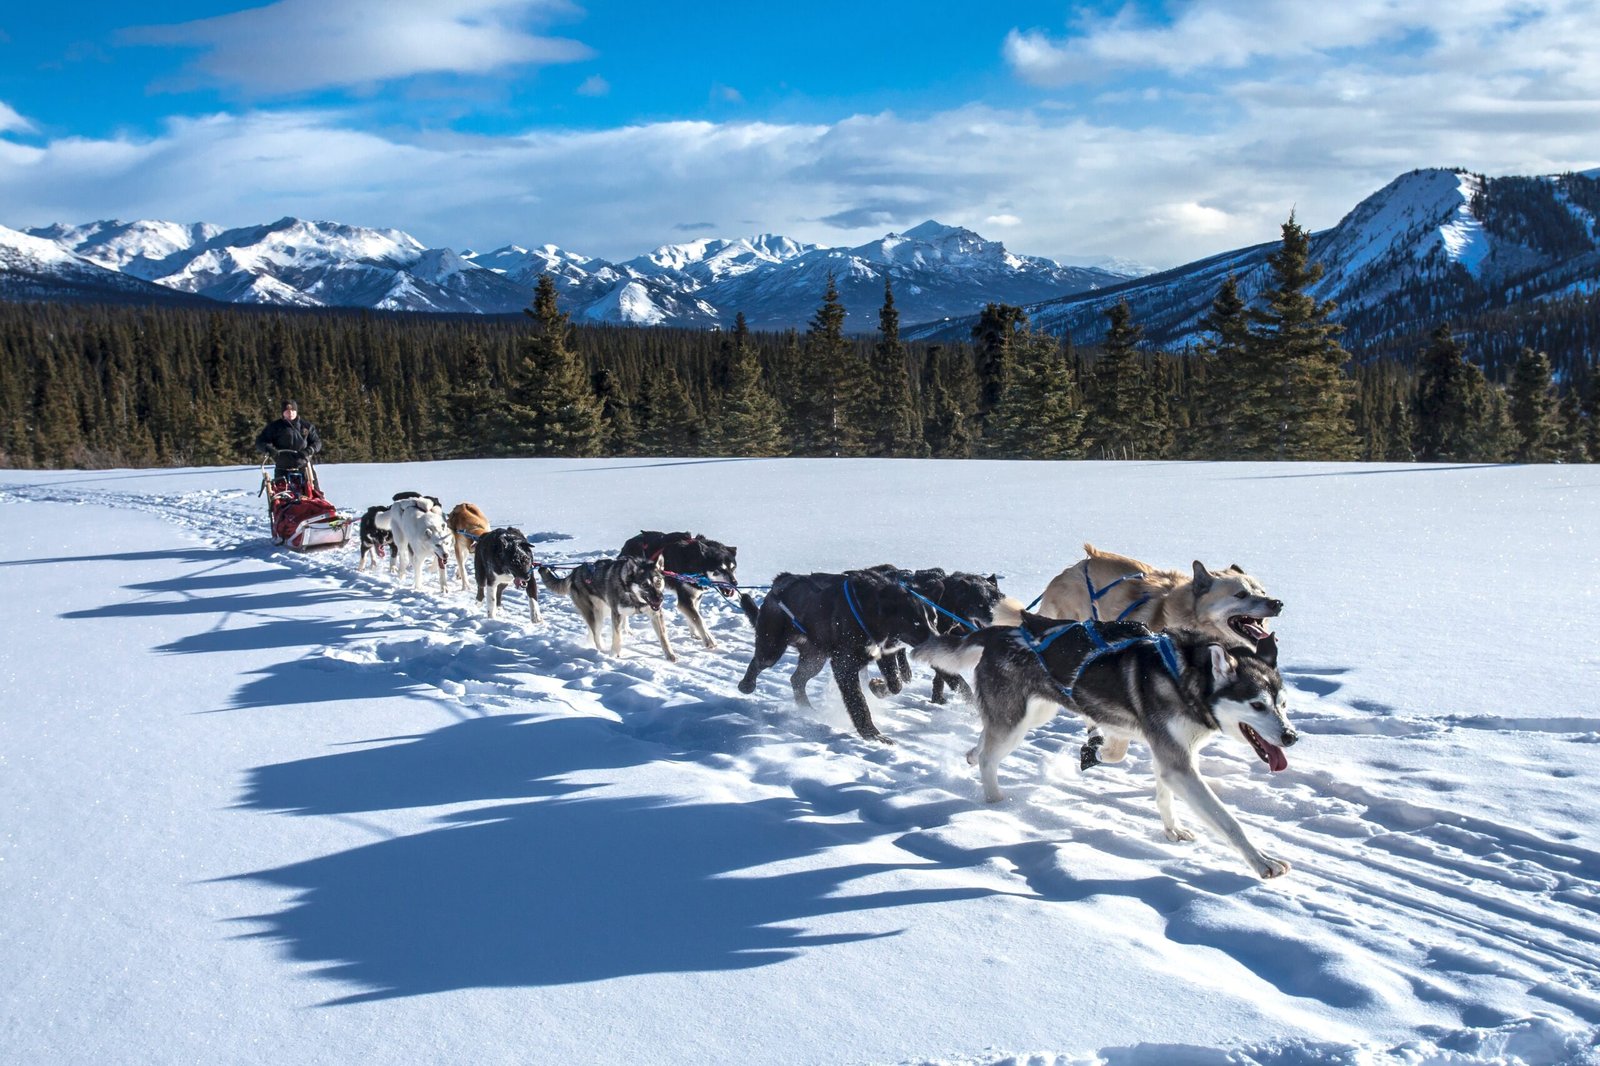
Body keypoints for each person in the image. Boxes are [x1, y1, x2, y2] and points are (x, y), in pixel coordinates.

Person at [255, 399, 323, 483]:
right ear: (283, 413)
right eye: (287, 411)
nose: (290, 413)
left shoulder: (306, 426)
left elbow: (317, 442)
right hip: (282, 468)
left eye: (293, 411)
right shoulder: (274, 427)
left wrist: (308, 450)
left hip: (304, 467)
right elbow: (260, 441)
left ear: (296, 411)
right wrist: (269, 449)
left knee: (314, 490)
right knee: (281, 491)